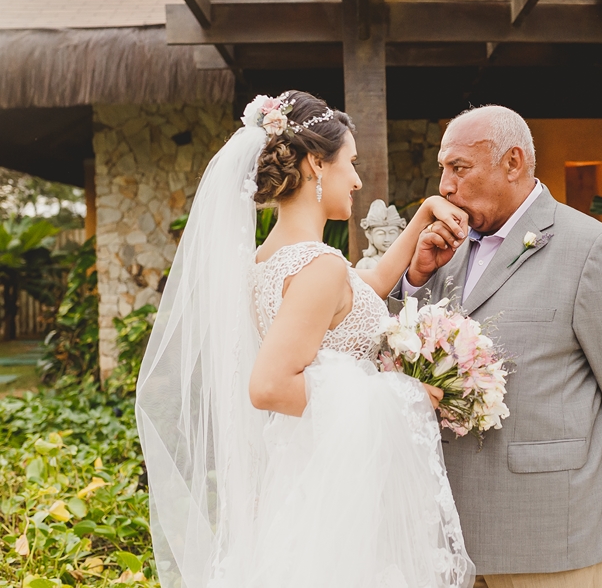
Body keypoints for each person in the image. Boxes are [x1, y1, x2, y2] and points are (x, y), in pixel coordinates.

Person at [136, 91, 475, 588]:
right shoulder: (319, 266)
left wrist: (423, 216)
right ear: (318, 164)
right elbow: (269, 386)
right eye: (351, 163)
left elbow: (361, 293)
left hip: (299, 471)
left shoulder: (269, 259)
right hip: (332, 488)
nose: (358, 179)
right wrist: (402, 396)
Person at [394, 105, 602, 587]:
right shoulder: (444, 248)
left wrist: (601, 472)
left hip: (551, 531)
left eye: (458, 168)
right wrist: (415, 279)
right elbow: (403, 351)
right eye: (442, 168)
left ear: (512, 162)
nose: (444, 185)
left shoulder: (590, 248)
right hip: (447, 534)